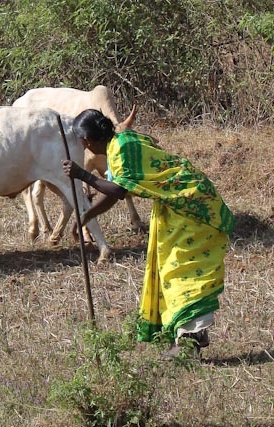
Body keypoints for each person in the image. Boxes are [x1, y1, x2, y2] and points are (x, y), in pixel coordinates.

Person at [63, 108, 235, 359]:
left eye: (82, 141)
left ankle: (191, 340)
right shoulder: (120, 143)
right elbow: (116, 189)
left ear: (87, 141)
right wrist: (86, 217)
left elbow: (119, 190)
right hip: (178, 206)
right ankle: (189, 335)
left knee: (183, 270)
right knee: (173, 268)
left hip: (192, 206)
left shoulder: (123, 148)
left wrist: (82, 175)